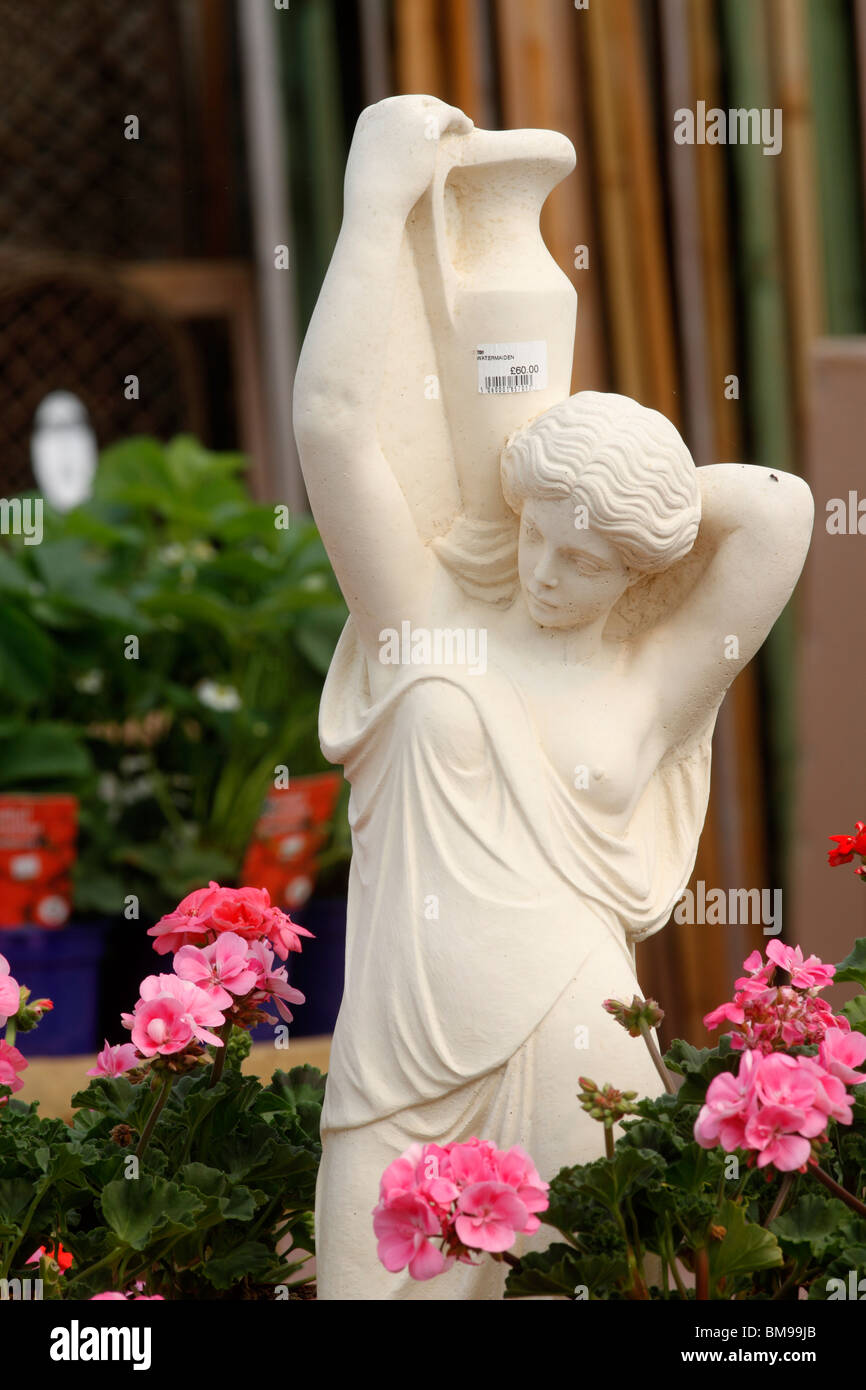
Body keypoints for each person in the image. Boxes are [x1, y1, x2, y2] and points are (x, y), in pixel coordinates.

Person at [293, 95, 813, 1300]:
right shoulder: (421, 616)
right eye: (537, 535)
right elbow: (330, 427)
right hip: (395, 1067)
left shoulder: (643, 682)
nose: (548, 570)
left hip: (580, 1046)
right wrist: (374, 205)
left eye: (589, 561)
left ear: (643, 573)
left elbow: (779, 508)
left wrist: (623, 479)